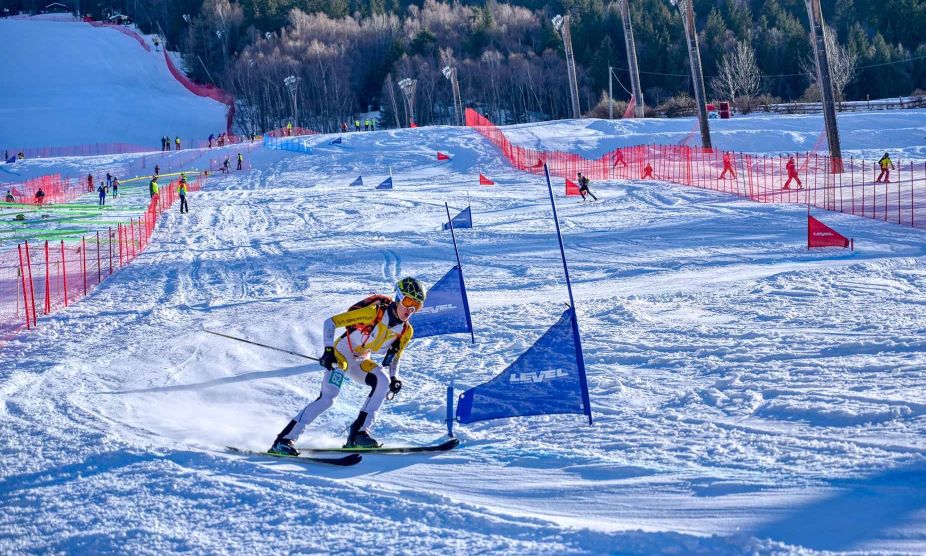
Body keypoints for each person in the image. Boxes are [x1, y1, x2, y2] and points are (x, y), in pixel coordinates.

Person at [269, 277, 427, 455]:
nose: (410, 309)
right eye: (407, 301)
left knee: (382, 381)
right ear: (398, 297)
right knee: (328, 397)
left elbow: (396, 356)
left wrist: (394, 377)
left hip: (360, 360)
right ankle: (284, 440)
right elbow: (331, 322)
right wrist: (328, 350)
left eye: (417, 305)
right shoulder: (373, 313)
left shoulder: (406, 331)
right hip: (341, 355)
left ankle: (358, 434)